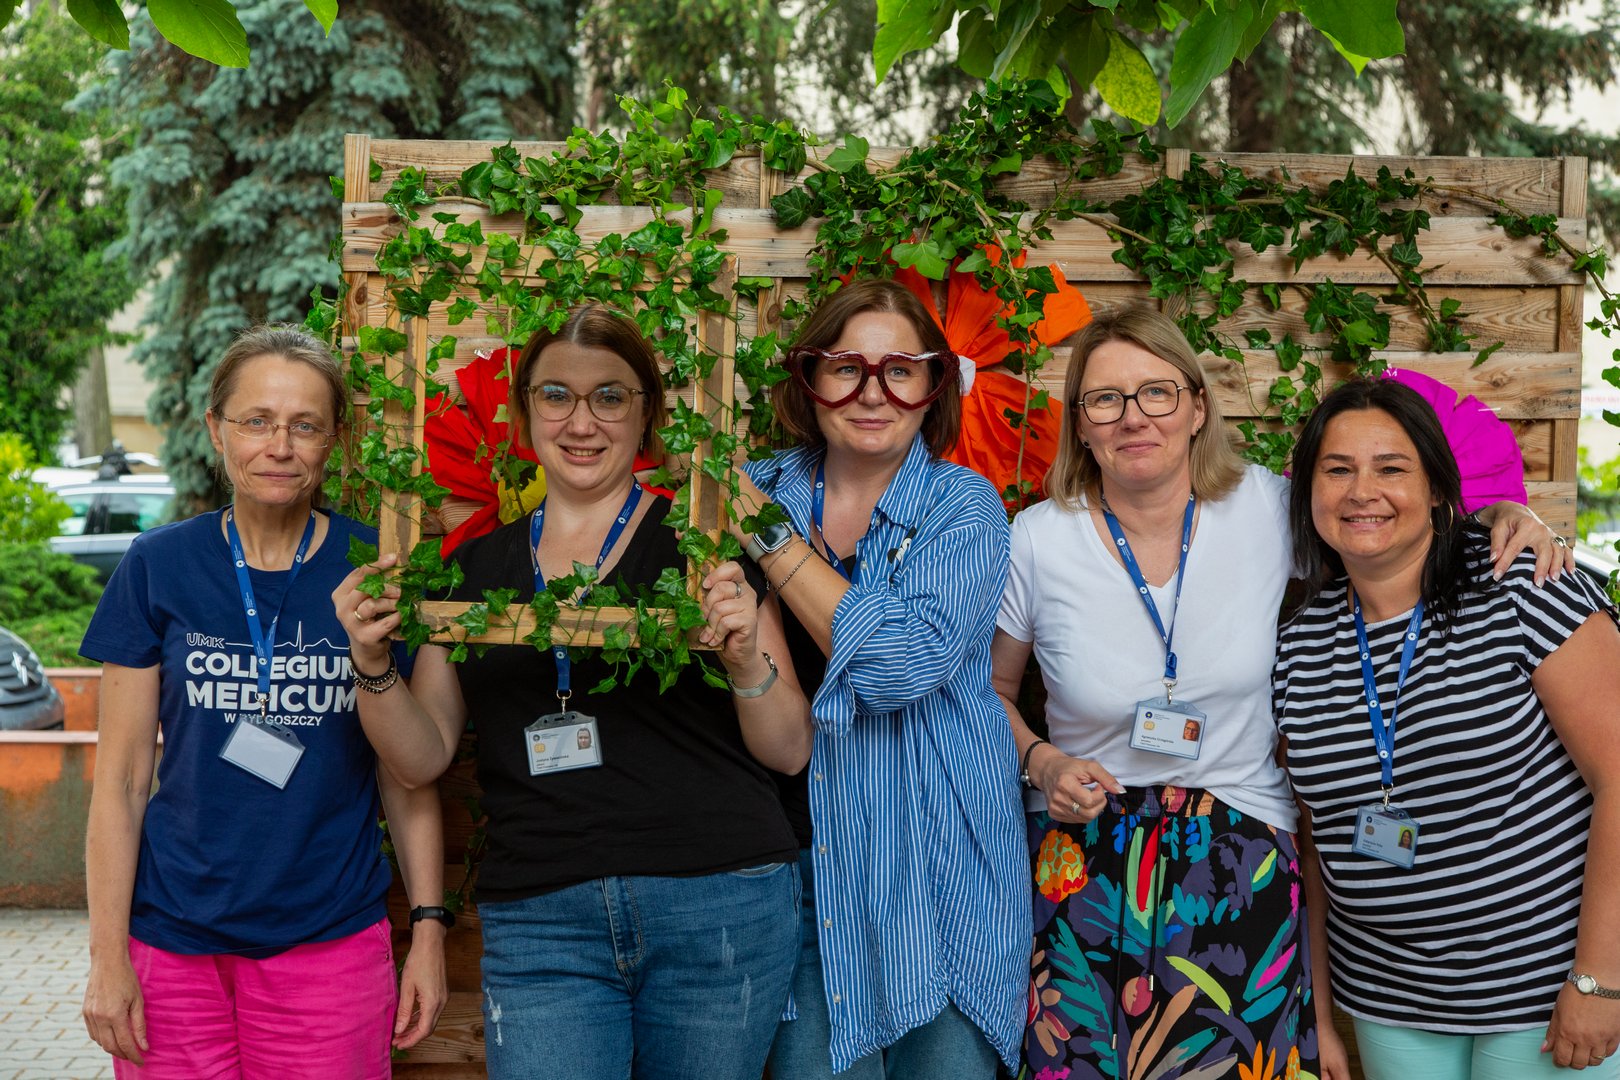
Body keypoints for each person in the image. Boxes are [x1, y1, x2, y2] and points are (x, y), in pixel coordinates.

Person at [990, 306, 1568, 1080]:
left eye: (1157, 392)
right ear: (1081, 424)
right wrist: (1041, 761)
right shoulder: (1036, 538)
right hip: (1085, 860)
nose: (1133, 417)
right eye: (1105, 399)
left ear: (1198, 408)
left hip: (1240, 862)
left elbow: (1383, 524)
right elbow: (990, 694)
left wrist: (1502, 513)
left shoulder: (1268, 507)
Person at [333, 303, 810, 1080]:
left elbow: (789, 750)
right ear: (524, 414)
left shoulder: (706, 552)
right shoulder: (468, 572)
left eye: (610, 396)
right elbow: (420, 758)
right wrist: (371, 658)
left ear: (647, 415)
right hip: (543, 919)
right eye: (556, 395)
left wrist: (746, 657)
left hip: (716, 904)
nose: (581, 421)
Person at [80, 325, 448, 1079]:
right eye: (257, 421)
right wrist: (107, 958)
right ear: (217, 429)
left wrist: (431, 932)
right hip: (172, 945)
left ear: (334, 441)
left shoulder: (375, 572)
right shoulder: (158, 566)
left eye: (305, 425)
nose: (280, 445)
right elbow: (121, 779)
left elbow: (406, 776)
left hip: (328, 943)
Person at [1274, 377, 1620, 1080]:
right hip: (1388, 1002)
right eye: (1337, 470)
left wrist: (1600, 979)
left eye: (1390, 468)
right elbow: (1313, 840)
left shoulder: (1522, 586)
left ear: (1436, 487)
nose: (1361, 491)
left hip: (1543, 995)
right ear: (1308, 492)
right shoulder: (1298, 644)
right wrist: (1320, 1013)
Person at [727, 278, 1029, 1078]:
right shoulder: (754, 485)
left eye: (899, 371)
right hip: (802, 878)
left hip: (941, 877)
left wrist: (767, 537)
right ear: (809, 378)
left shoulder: (964, 507)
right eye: (846, 368)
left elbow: (898, 664)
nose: (872, 394)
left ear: (934, 386)